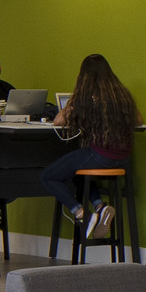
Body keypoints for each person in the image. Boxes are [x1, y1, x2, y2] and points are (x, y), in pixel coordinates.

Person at [39, 54, 138, 238]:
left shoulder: (85, 98)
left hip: (100, 155)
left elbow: (58, 121)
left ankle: (82, 214)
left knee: (48, 176)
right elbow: (138, 120)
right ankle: (100, 207)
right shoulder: (121, 95)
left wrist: (74, 99)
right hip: (123, 158)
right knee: (77, 172)